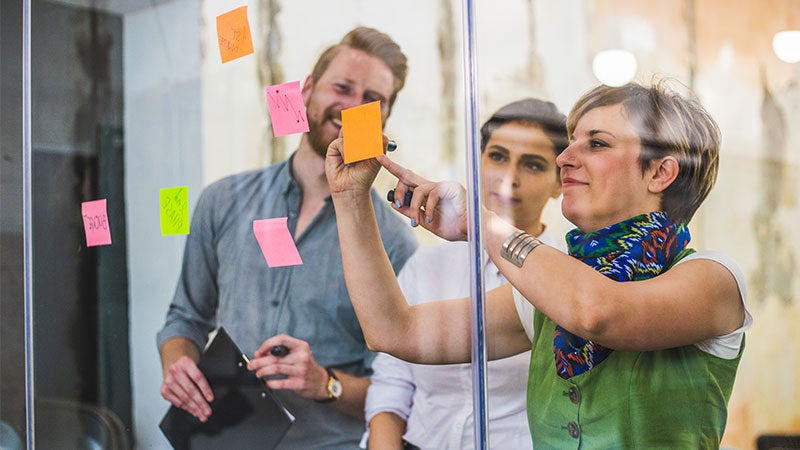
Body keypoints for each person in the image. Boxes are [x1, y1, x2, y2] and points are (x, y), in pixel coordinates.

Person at [325, 80, 752, 448]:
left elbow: (597, 312)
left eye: (596, 143)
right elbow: (393, 331)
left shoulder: (714, 278)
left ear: (660, 173)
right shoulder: (546, 293)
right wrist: (350, 199)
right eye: (570, 143)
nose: (565, 158)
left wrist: (481, 222)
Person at [157, 27, 418, 449]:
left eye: (372, 101)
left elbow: (398, 391)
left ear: (384, 119)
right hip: (219, 439)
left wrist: (325, 383)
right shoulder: (223, 201)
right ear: (308, 91)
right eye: (342, 87)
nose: (353, 107)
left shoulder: (394, 243)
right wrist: (178, 364)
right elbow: (183, 318)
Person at [364, 98, 567, 450]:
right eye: (498, 156)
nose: (509, 177)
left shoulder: (566, 278)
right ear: (478, 160)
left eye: (533, 165)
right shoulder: (427, 265)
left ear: (559, 183)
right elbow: (392, 382)